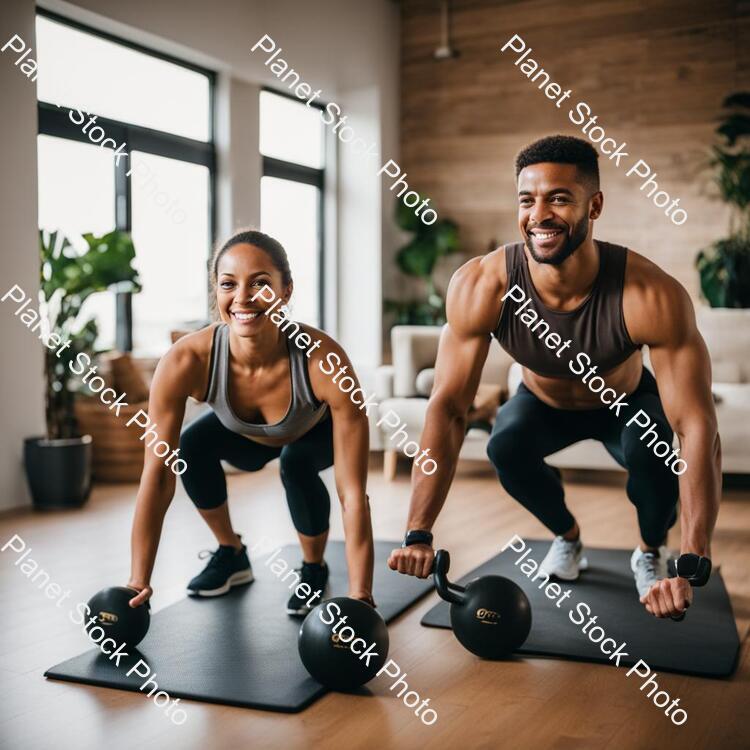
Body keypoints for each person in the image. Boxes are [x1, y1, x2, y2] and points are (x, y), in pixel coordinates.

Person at [388, 135, 721, 619]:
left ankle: (652, 550)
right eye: (528, 200)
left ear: (595, 205)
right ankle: (569, 539)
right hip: (542, 400)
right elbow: (448, 407)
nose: (539, 215)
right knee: (505, 445)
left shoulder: (649, 292)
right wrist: (418, 530)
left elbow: (697, 428)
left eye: (559, 198)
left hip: (623, 401)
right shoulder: (484, 285)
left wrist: (693, 559)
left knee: (656, 452)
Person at [126, 229, 375, 615]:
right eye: (228, 284)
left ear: (286, 290)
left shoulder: (324, 360)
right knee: (191, 446)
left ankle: (313, 568)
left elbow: (353, 493)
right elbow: (157, 475)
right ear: (217, 291)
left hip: (313, 433)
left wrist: (360, 595)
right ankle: (231, 552)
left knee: (295, 463)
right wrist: (137, 582)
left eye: (260, 283)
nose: (243, 297)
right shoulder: (185, 360)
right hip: (242, 435)